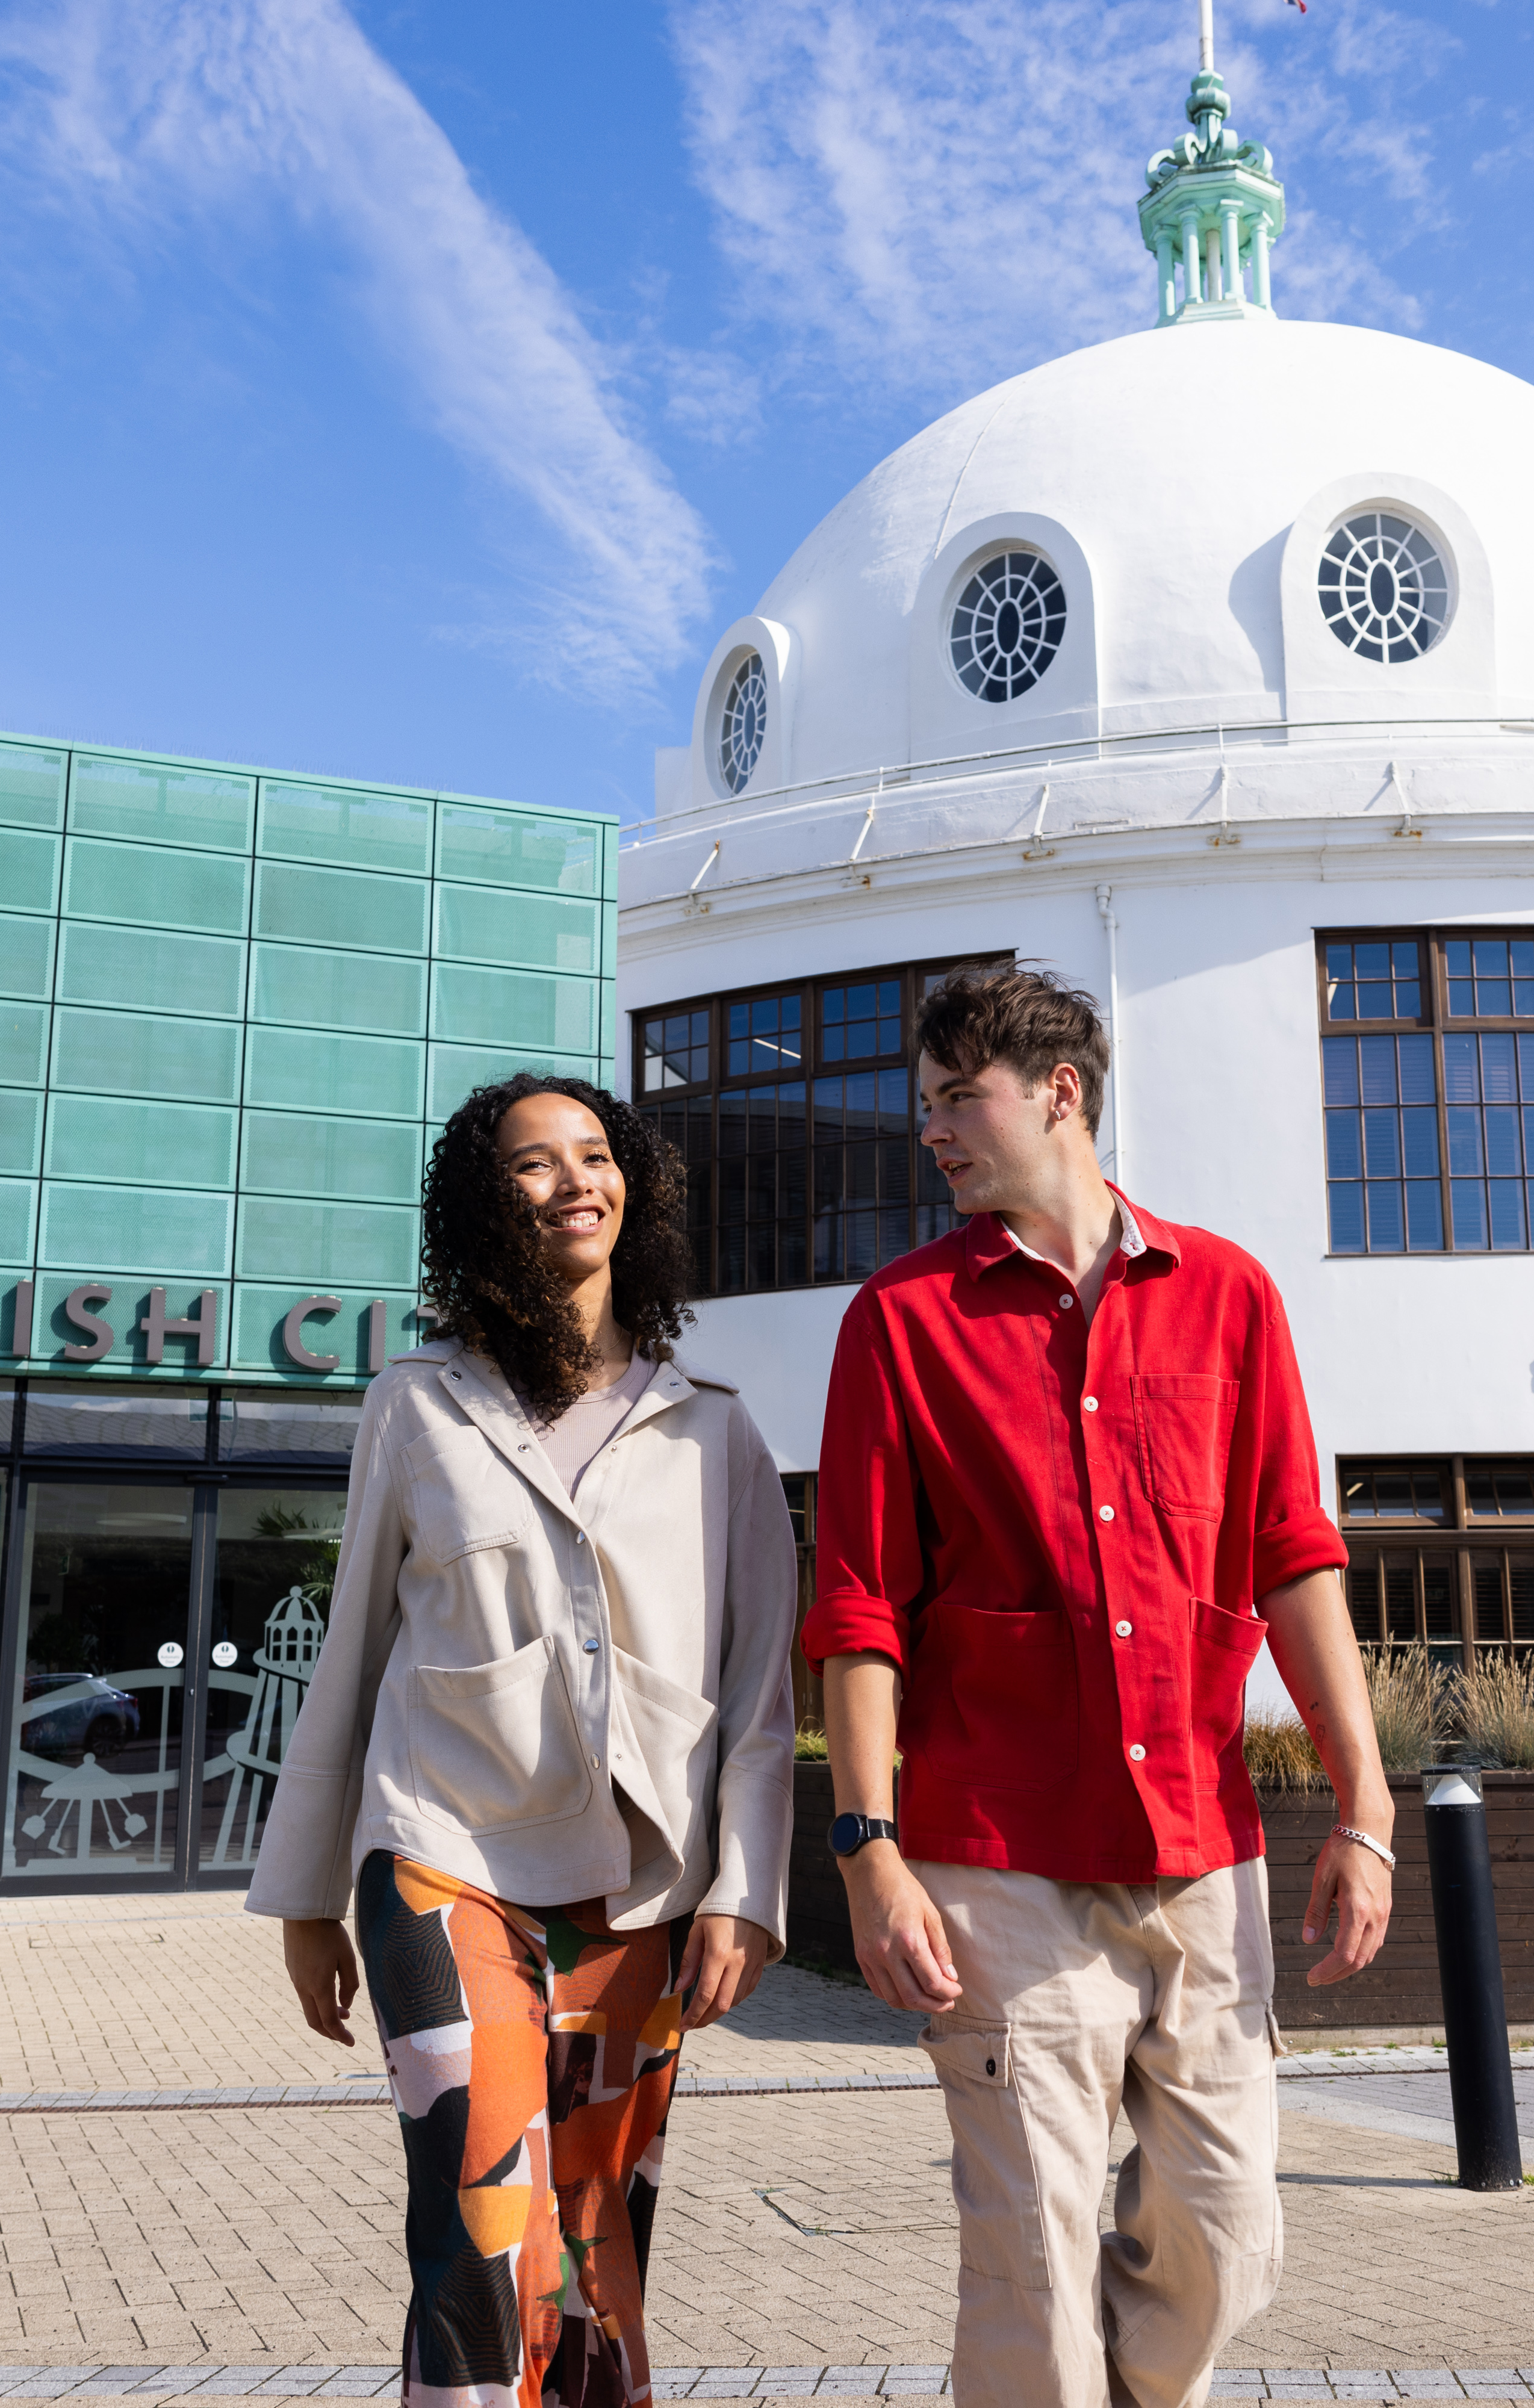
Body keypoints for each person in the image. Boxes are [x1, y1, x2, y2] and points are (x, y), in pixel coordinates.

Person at [804, 966, 1394, 2408]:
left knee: (1229, 2231)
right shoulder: (901, 1321)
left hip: (1201, 1842)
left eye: (958, 1098)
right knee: (1031, 2257)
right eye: (924, 1103)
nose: (931, 1131)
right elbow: (858, 1606)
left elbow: (1291, 1557)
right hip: (993, 1854)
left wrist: (1366, 1805)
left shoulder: (1229, 1295)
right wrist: (866, 1846)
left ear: (1056, 1091)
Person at [251, 1072, 797, 2408]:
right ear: (481, 1208)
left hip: (642, 1884)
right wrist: (307, 1895)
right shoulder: (415, 1402)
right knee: (484, 2223)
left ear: (636, 1190)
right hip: (439, 1854)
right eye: (532, 1163)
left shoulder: (713, 1429)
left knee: (596, 2249)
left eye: (596, 1155)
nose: (574, 1180)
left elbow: (760, 1687)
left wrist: (745, 1892)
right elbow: (355, 1648)